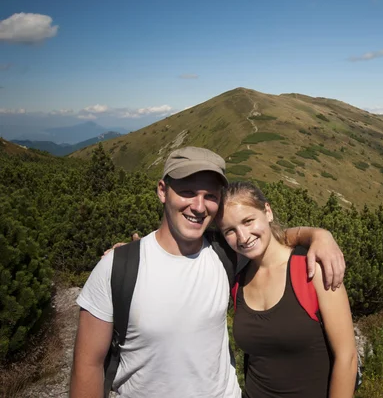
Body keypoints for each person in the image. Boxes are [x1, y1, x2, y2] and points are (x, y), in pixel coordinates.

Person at [69, 147, 346, 398]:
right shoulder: (117, 267)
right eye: (187, 192)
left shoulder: (225, 254)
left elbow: (264, 239)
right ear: (162, 191)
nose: (199, 206)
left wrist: (319, 235)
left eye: (209, 196)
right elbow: (88, 365)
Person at [218, 181, 358, 398]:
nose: (243, 237)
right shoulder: (238, 281)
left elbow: (347, 358)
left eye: (248, 221)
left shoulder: (312, 270)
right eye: (230, 231)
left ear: (267, 211)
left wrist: (319, 234)